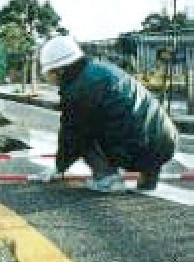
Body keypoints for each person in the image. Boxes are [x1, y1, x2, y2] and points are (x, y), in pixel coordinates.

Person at [39, 35, 178, 192]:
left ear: (60, 70)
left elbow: (71, 134)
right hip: (166, 143)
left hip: (136, 147)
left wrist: (59, 166)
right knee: (136, 126)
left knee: (83, 134)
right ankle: (148, 181)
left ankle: (107, 178)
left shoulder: (78, 88)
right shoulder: (100, 69)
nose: (48, 78)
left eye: (48, 73)